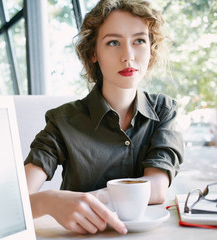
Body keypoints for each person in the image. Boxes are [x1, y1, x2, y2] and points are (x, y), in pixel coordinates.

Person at [24, 0, 183, 235]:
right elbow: (19, 198)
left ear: (151, 48)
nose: (128, 56)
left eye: (139, 40)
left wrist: (89, 199)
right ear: (93, 53)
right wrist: (50, 201)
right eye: (113, 42)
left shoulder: (164, 111)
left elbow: (157, 187)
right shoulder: (62, 120)